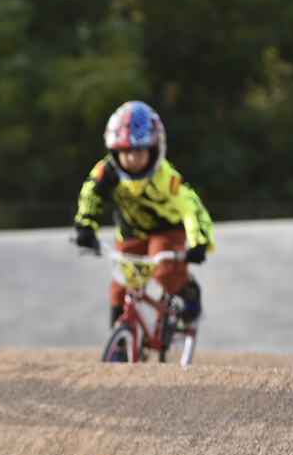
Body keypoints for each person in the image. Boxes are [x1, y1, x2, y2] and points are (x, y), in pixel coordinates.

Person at [74, 101, 214, 344]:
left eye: (139, 151)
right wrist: (85, 226)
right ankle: (118, 347)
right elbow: (90, 194)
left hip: (167, 229)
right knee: (119, 289)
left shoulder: (165, 177)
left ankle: (190, 291)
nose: (131, 158)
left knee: (166, 271)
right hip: (131, 233)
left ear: (155, 148)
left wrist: (199, 241)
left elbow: (191, 206)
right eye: (124, 151)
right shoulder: (107, 171)